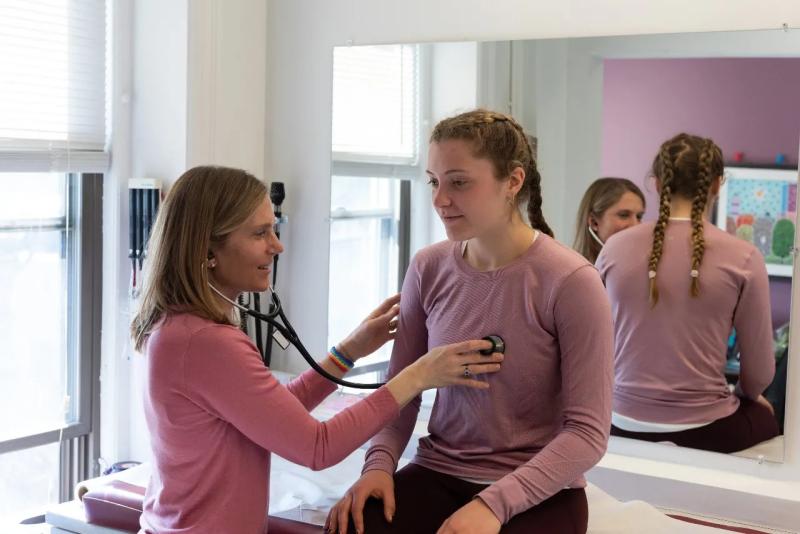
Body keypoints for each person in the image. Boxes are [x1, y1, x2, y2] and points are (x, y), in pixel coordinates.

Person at [129, 166, 505, 533]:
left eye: (273, 229)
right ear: (208, 249)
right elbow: (317, 446)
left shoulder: (179, 328)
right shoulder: (207, 342)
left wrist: (348, 352)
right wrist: (419, 376)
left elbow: (274, 412)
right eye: (260, 233)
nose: (277, 246)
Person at [326, 110, 613, 534]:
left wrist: (492, 505)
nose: (440, 199)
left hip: (539, 488)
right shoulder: (427, 268)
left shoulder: (572, 281)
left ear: (512, 181)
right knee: (349, 527)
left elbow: (587, 434)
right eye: (433, 182)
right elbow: (400, 393)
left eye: (459, 182)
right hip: (439, 471)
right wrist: (379, 466)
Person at [596, 133, 779, 453]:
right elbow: (759, 374)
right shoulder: (745, 257)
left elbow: (592, 342)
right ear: (717, 184)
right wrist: (747, 396)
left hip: (617, 422)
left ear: (657, 184)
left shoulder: (613, 248)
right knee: (766, 417)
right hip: (706, 430)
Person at [573, 177, 645, 263]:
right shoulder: (575, 269)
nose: (636, 225)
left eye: (639, 217)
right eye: (624, 215)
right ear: (594, 223)